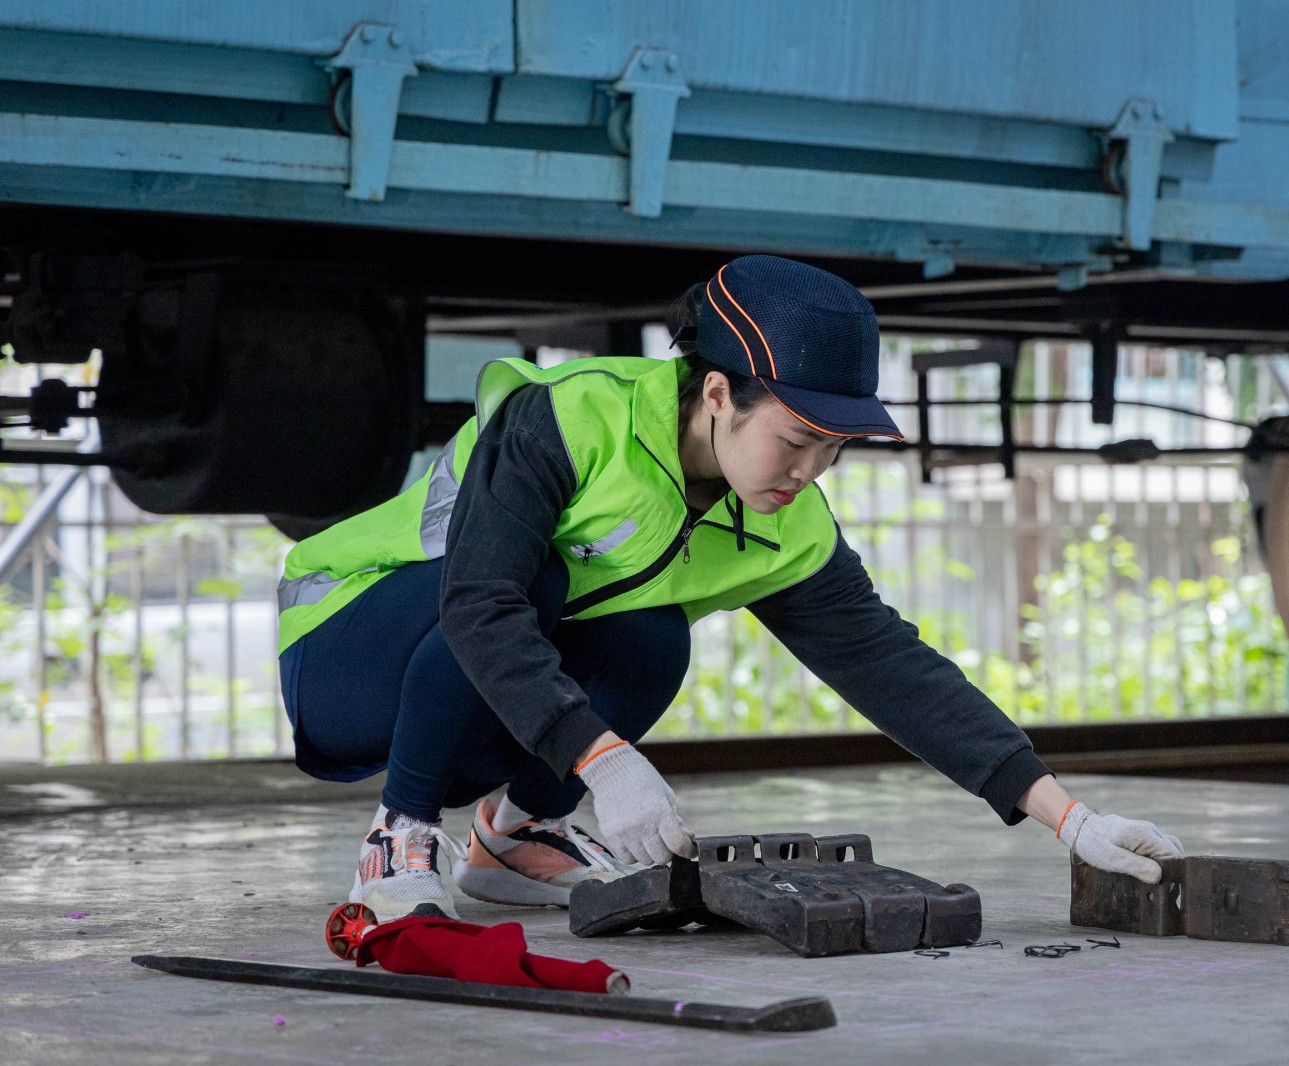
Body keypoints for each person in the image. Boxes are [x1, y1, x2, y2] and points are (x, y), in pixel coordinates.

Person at [275, 254, 1183, 921]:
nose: (810, 471)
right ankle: (398, 834)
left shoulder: (786, 522)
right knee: (533, 580)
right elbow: (480, 606)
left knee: (653, 637)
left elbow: (892, 668)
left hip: (473, 688)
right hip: (348, 650)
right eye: (796, 440)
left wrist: (1069, 818)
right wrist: (603, 759)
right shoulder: (572, 419)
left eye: (834, 450)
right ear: (717, 393)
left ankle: (513, 837)